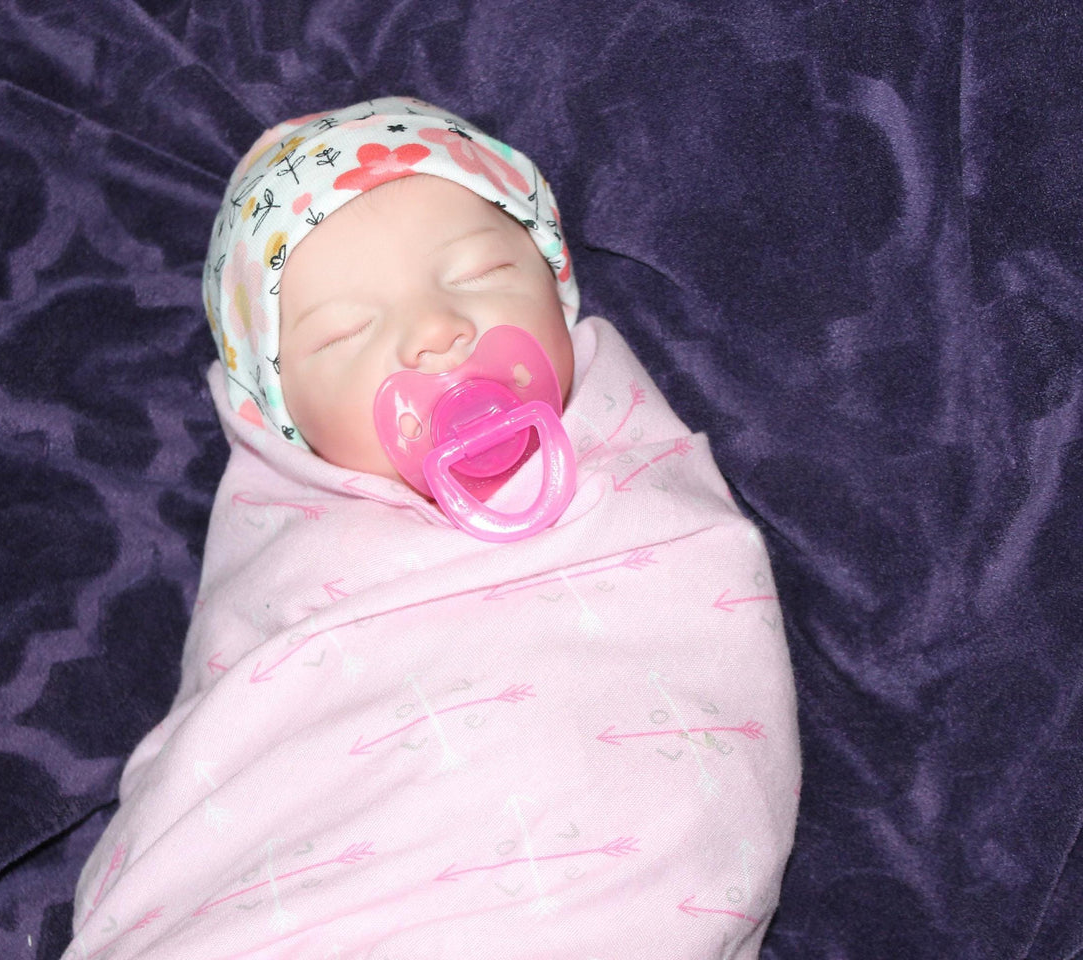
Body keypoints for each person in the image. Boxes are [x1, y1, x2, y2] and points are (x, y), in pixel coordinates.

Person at [63, 96, 800, 960]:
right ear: (277, 417)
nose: (438, 334)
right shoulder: (287, 578)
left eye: (482, 275)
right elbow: (241, 762)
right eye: (347, 330)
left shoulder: (647, 498)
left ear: (557, 288)